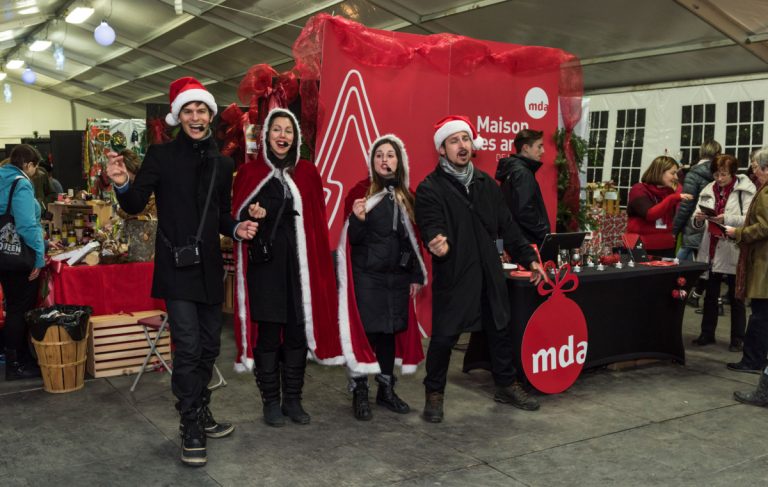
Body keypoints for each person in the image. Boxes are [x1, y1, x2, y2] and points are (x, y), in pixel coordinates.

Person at [106, 77, 258, 467]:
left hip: (208, 268)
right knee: (188, 348)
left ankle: (200, 408)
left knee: (209, 347)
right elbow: (135, 204)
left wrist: (237, 227)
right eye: (187, 110)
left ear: (209, 115)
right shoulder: (161, 156)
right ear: (178, 116)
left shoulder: (223, 163)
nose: (194, 117)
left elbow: (221, 215)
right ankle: (190, 424)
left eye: (201, 110)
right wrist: (122, 183)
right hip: (175, 267)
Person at [415, 115, 547, 423]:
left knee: (499, 329)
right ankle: (434, 393)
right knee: (444, 338)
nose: (462, 146)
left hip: (489, 271)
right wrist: (436, 242)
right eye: (454, 141)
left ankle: (506, 385)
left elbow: (509, 227)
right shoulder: (430, 188)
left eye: (465, 139)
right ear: (442, 149)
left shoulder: (487, 184)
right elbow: (430, 224)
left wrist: (529, 258)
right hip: (456, 273)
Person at [231, 108, 342, 429]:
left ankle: (293, 399)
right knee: (268, 335)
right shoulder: (250, 172)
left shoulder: (308, 173)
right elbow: (237, 218)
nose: (283, 136)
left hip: (300, 270)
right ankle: (270, 402)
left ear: (296, 138)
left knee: (296, 334)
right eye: (277, 129)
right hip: (265, 269)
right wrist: (250, 214)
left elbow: (317, 225)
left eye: (288, 130)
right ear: (267, 135)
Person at [337, 134, 427, 421]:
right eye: (379, 155)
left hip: (396, 280)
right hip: (367, 278)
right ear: (372, 161)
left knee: (389, 334)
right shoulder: (359, 192)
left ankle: (386, 390)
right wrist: (358, 220)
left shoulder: (407, 196)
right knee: (367, 335)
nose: (384, 160)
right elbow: (351, 240)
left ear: (399, 161)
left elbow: (414, 241)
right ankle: (360, 391)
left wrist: (415, 275)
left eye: (390, 155)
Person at [689, 154, 754, 349]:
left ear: (733, 173)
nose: (719, 178)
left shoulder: (745, 190)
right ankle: (706, 334)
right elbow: (695, 220)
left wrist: (726, 218)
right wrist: (698, 219)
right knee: (710, 295)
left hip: (733, 248)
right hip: (711, 247)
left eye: (723, 174)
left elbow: (749, 220)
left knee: (736, 297)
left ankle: (738, 338)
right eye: (716, 174)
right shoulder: (708, 189)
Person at [0, 144, 45, 381]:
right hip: (19, 257)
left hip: (4, 255)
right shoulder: (21, 183)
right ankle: (16, 364)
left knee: (12, 307)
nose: (35, 172)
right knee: (19, 309)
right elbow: (27, 225)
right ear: (28, 164)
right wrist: (38, 256)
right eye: (35, 167)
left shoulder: (2, 178)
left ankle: (16, 359)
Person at [726, 148, 768, 377]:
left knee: (760, 315)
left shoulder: (766, 192)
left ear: (766, 169)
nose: (753, 172)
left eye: (755, 167)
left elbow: (764, 227)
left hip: (763, 261)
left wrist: (739, 233)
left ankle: (753, 360)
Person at [673, 141, 721, 307]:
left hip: (695, 222)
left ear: (701, 152)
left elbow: (686, 205)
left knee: (681, 260)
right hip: (713, 222)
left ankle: (672, 288)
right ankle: (704, 296)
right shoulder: (718, 173)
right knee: (708, 264)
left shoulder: (693, 174)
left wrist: (675, 229)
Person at [626, 155, 693, 258]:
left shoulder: (669, 192)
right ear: (660, 172)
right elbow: (650, 214)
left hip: (667, 247)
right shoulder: (638, 190)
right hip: (642, 247)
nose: (676, 177)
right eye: (672, 173)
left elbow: (671, 219)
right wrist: (672, 198)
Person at [495, 129, 550, 246]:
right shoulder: (522, 173)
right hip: (526, 243)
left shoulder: (514, 170)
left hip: (514, 240)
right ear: (525, 148)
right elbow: (524, 211)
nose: (543, 151)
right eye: (539, 146)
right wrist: (544, 233)